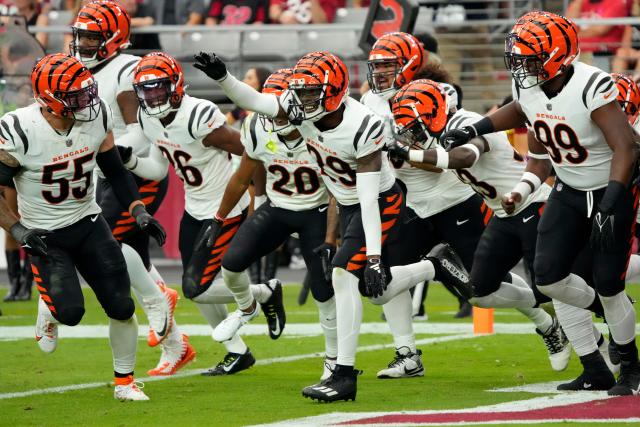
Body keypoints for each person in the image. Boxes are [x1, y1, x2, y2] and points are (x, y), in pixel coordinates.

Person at [193, 50, 470, 402]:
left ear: (335, 90)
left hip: (380, 202)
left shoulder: (363, 125)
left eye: (311, 92)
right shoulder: (302, 108)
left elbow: (368, 198)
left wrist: (370, 256)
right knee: (377, 291)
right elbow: (259, 101)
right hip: (345, 202)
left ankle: (343, 374)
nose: (303, 100)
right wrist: (223, 78)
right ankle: (434, 266)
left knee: (342, 275)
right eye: (302, 92)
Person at [440, 11, 640, 395]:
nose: (522, 66)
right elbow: (520, 111)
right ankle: (603, 311)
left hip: (607, 188)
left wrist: (611, 202)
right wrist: (476, 127)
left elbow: (626, 146)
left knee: (610, 285)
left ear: (557, 55)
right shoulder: (529, 86)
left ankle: (630, 365)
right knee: (548, 278)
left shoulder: (590, 84)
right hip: (567, 187)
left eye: (530, 57)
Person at [1, 52, 165, 400]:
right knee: (71, 314)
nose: (87, 101)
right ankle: (49, 310)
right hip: (44, 235)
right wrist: (18, 231)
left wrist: (138, 210)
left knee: (121, 307)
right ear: (48, 99)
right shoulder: (19, 130)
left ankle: (124, 383)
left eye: (87, 91)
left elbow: (115, 170)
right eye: (75, 96)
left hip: (88, 221)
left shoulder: (96, 115)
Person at [388, 79, 575, 371]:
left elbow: (463, 155)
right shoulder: (436, 130)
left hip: (531, 203)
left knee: (558, 286)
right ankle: (560, 329)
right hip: (502, 213)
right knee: (480, 293)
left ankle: (602, 346)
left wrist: (409, 154)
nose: (411, 132)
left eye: (416, 124)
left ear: (435, 113)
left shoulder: (467, 122)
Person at [126, 51, 285, 375]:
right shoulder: (148, 118)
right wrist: (128, 160)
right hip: (195, 207)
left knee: (195, 286)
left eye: (159, 87)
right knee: (197, 288)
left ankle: (264, 293)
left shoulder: (197, 115)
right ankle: (238, 350)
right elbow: (157, 169)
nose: (153, 96)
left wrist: (259, 198)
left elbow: (250, 150)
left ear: (175, 85)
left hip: (226, 207)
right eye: (147, 90)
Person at [67, 0, 193, 376]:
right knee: (132, 263)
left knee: (103, 244)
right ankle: (176, 344)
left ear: (112, 38)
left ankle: (159, 298)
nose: (83, 43)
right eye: (81, 36)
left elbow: (136, 128)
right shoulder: (86, 69)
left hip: (135, 171)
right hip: (106, 173)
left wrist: (118, 154)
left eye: (91, 36)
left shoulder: (124, 70)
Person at [192, 68, 339, 379]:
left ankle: (334, 360)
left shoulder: (319, 129)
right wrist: (220, 218)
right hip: (279, 206)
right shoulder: (258, 126)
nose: (272, 111)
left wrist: (331, 237)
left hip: (318, 209)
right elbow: (243, 175)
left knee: (324, 290)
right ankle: (247, 308)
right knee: (230, 263)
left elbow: (339, 187)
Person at [565, 0, 630, 69]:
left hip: (602, 54)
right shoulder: (579, 3)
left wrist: (573, 34)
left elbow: (600, 30)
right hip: (576, 52)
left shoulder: (616, 2)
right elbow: (567, 26)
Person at [269, 0, 340, 24]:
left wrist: (313, 2)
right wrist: (282, 17)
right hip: (286, 33)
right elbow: (273, 13)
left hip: (314, 39)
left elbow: (321, 22)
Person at [205, 0, 270, 25]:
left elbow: (259, 23)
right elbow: (211, 19)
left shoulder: (261, 1)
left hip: (247, 37)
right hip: (223, 35)